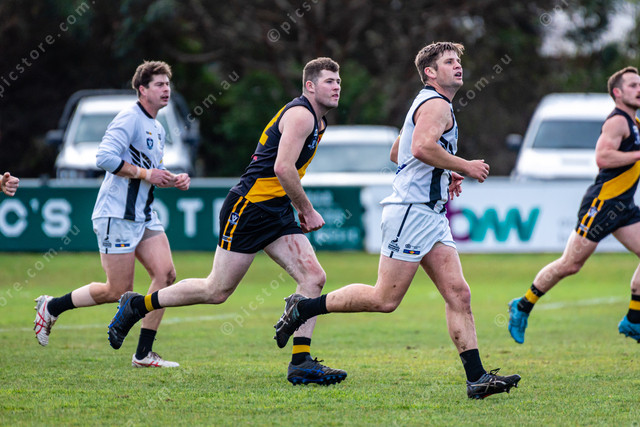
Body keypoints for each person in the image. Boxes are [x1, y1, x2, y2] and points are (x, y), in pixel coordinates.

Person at [273, 42, 521, 399]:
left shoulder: (431, 102)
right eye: (449, 62)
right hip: (411, 211)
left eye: (458, 61)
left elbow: (398, 152)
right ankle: (303, 308)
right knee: (384, 299)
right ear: (430, 72)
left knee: (458, 293)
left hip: (431, 214)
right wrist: (464, 165)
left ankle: (477, 379)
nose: (458, 66)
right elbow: (419, 148)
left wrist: (443, 172)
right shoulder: (436, 104)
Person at [107, 57, 347, 385]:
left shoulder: (319, 122)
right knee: (216, 290)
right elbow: (283, 168)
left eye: (338, 81)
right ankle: (137, 305)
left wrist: (294, 207)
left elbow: (285, 172)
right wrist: (306, 209)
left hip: (275, 209)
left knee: (313, 277)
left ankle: (301, 362)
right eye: (329, 81)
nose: (337, 87)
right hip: (249, 208)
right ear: (310, 86)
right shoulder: (301, 115)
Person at [34, 60, 190, 368]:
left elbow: (150, 170)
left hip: (144, 215)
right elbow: (104, 157)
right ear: (142, 89)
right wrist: (146, 174)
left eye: (168, 84)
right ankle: (51, 307)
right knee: (117, 290)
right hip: (116, 214)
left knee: (166, 275)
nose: (166, 90)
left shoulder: (158, 128)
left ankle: (143, 354)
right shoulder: (129, 118)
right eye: (159, 84)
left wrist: (172, 178)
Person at [508, 66, 640, 344]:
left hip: (624, 206)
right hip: (602, 205)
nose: (639, 90)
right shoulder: (617, 122)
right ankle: (522, 305)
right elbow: (603, 157)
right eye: (632, 85)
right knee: (570, 264)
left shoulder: (635, 123)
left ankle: (633, 319)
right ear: (617, 93)